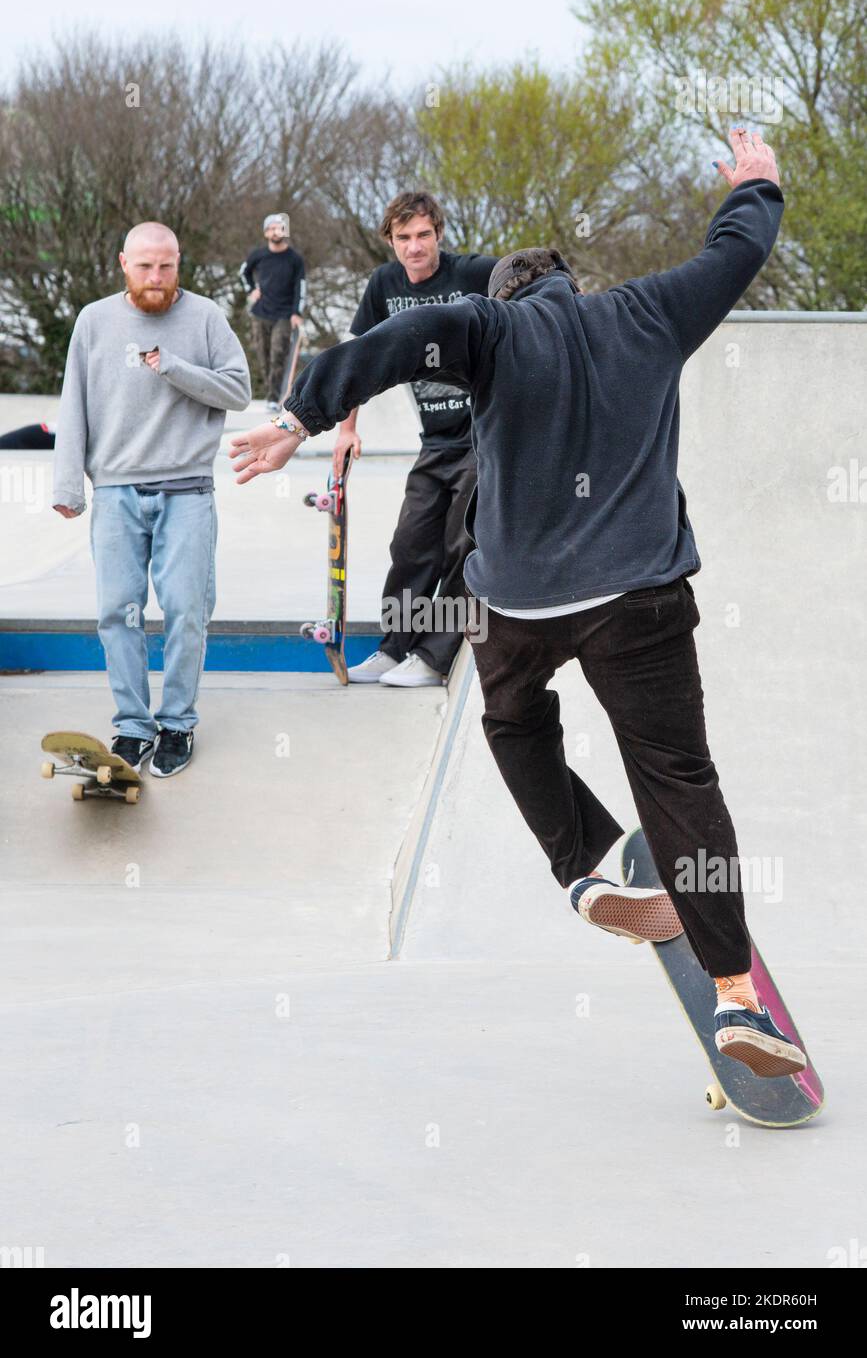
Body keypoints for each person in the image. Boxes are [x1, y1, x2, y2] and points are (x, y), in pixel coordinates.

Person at [229, 128, 804, 1077]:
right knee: (676, 778)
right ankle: (738, 996)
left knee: (509, 719)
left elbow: (406, 336)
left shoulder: (487, 328)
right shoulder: (647, 312)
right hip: (639, 597)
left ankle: (581, 868)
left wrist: (305, 412)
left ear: (500, 295)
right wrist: (757, 184)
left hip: (517, 603)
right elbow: (734, 251)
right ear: (572, 286)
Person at [52, 221, 251, 777]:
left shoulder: (206, 317)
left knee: (187, 611)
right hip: (115, 491)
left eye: (166, 265)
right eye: (145, 266)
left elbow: (239, 390)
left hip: (187, 490)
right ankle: (133, 727)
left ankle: (178, 724)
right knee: (118, 613)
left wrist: (174, 367)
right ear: (123, 264)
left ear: (178, 262)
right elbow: (74, 405)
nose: (157, 277)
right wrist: (68, 485)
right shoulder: (94, 321)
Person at [331, 191, 497, 686]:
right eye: (403, 237)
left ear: (439, 236)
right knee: (411, 544)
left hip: (481, 437)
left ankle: (433, 658)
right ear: (390, 241)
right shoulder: (383, 285)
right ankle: (394, 647)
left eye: (424, 235)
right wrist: (346, 427)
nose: (415, 246)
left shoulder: (470, 273)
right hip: (435, 441)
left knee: (460, 542)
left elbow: (532, 278)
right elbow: (359, 353)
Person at [241, 213, 306, 411]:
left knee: (278, 353)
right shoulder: (258, 255)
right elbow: (243, 272)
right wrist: (251, 290)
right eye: (271, 228)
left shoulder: (295, 259)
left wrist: (297, 312)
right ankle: (272, 391)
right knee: (263, 354)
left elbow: (301, 286)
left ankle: (273, 397)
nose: (275, 232)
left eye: (279, 228)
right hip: (261, 312)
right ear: (266, 232)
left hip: (284, 314)